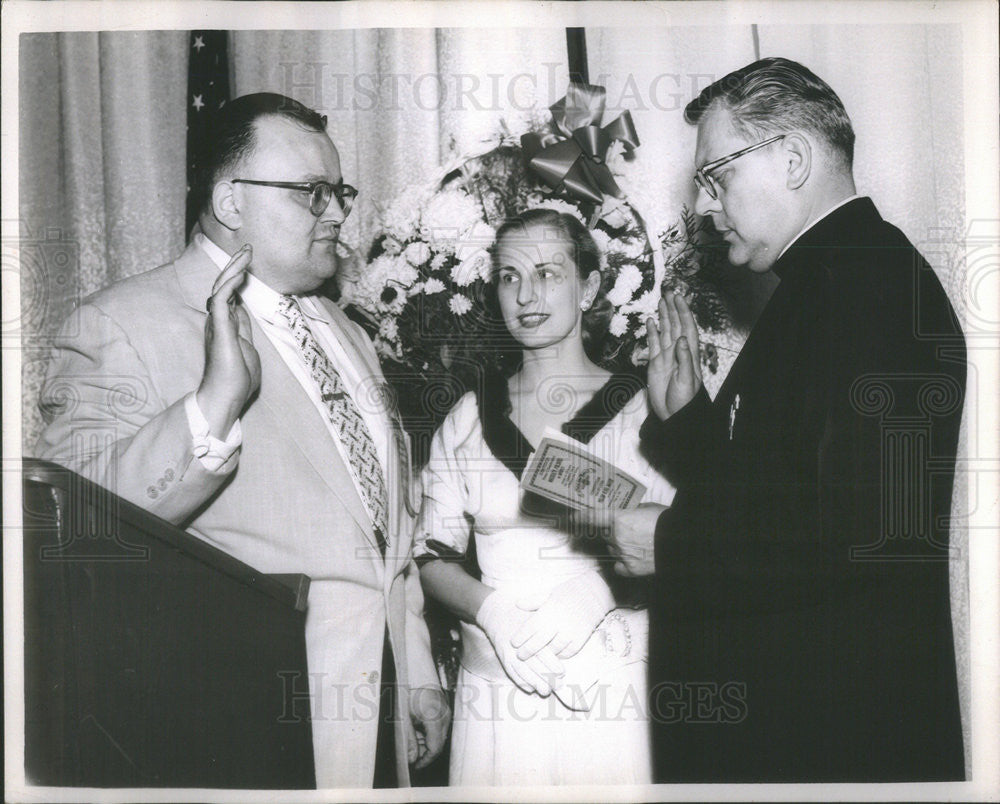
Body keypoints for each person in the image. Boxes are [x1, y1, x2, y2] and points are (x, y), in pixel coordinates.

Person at [34, 92, 449, 788]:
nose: (339, 213)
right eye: (312, 193)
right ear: (230, 201)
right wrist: (211, 405)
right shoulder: (119, 323)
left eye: (340, 191)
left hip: (375, 709)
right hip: (240, 723)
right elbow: (69, 528)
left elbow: (388, 529)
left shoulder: (349, 334)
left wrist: (417, 663)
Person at [608, 58, 966, 781]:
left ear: (794, 159)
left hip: (837, 742)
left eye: (717, 177)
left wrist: (672, 546)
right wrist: (687, 421)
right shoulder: (835, 281)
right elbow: (787, 489)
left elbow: (868, 530)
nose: (706, 207)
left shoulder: (873, 291)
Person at [414, 208, 675, 786]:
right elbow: (430, 555)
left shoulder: (642, 408)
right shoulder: (467, 417)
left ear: (591, 286)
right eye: (509, 277)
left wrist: (597, 590)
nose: (526, 295)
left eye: (548, 274)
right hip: (500, 690)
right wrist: (492, 612)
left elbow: (684, 541)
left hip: (609, 692)